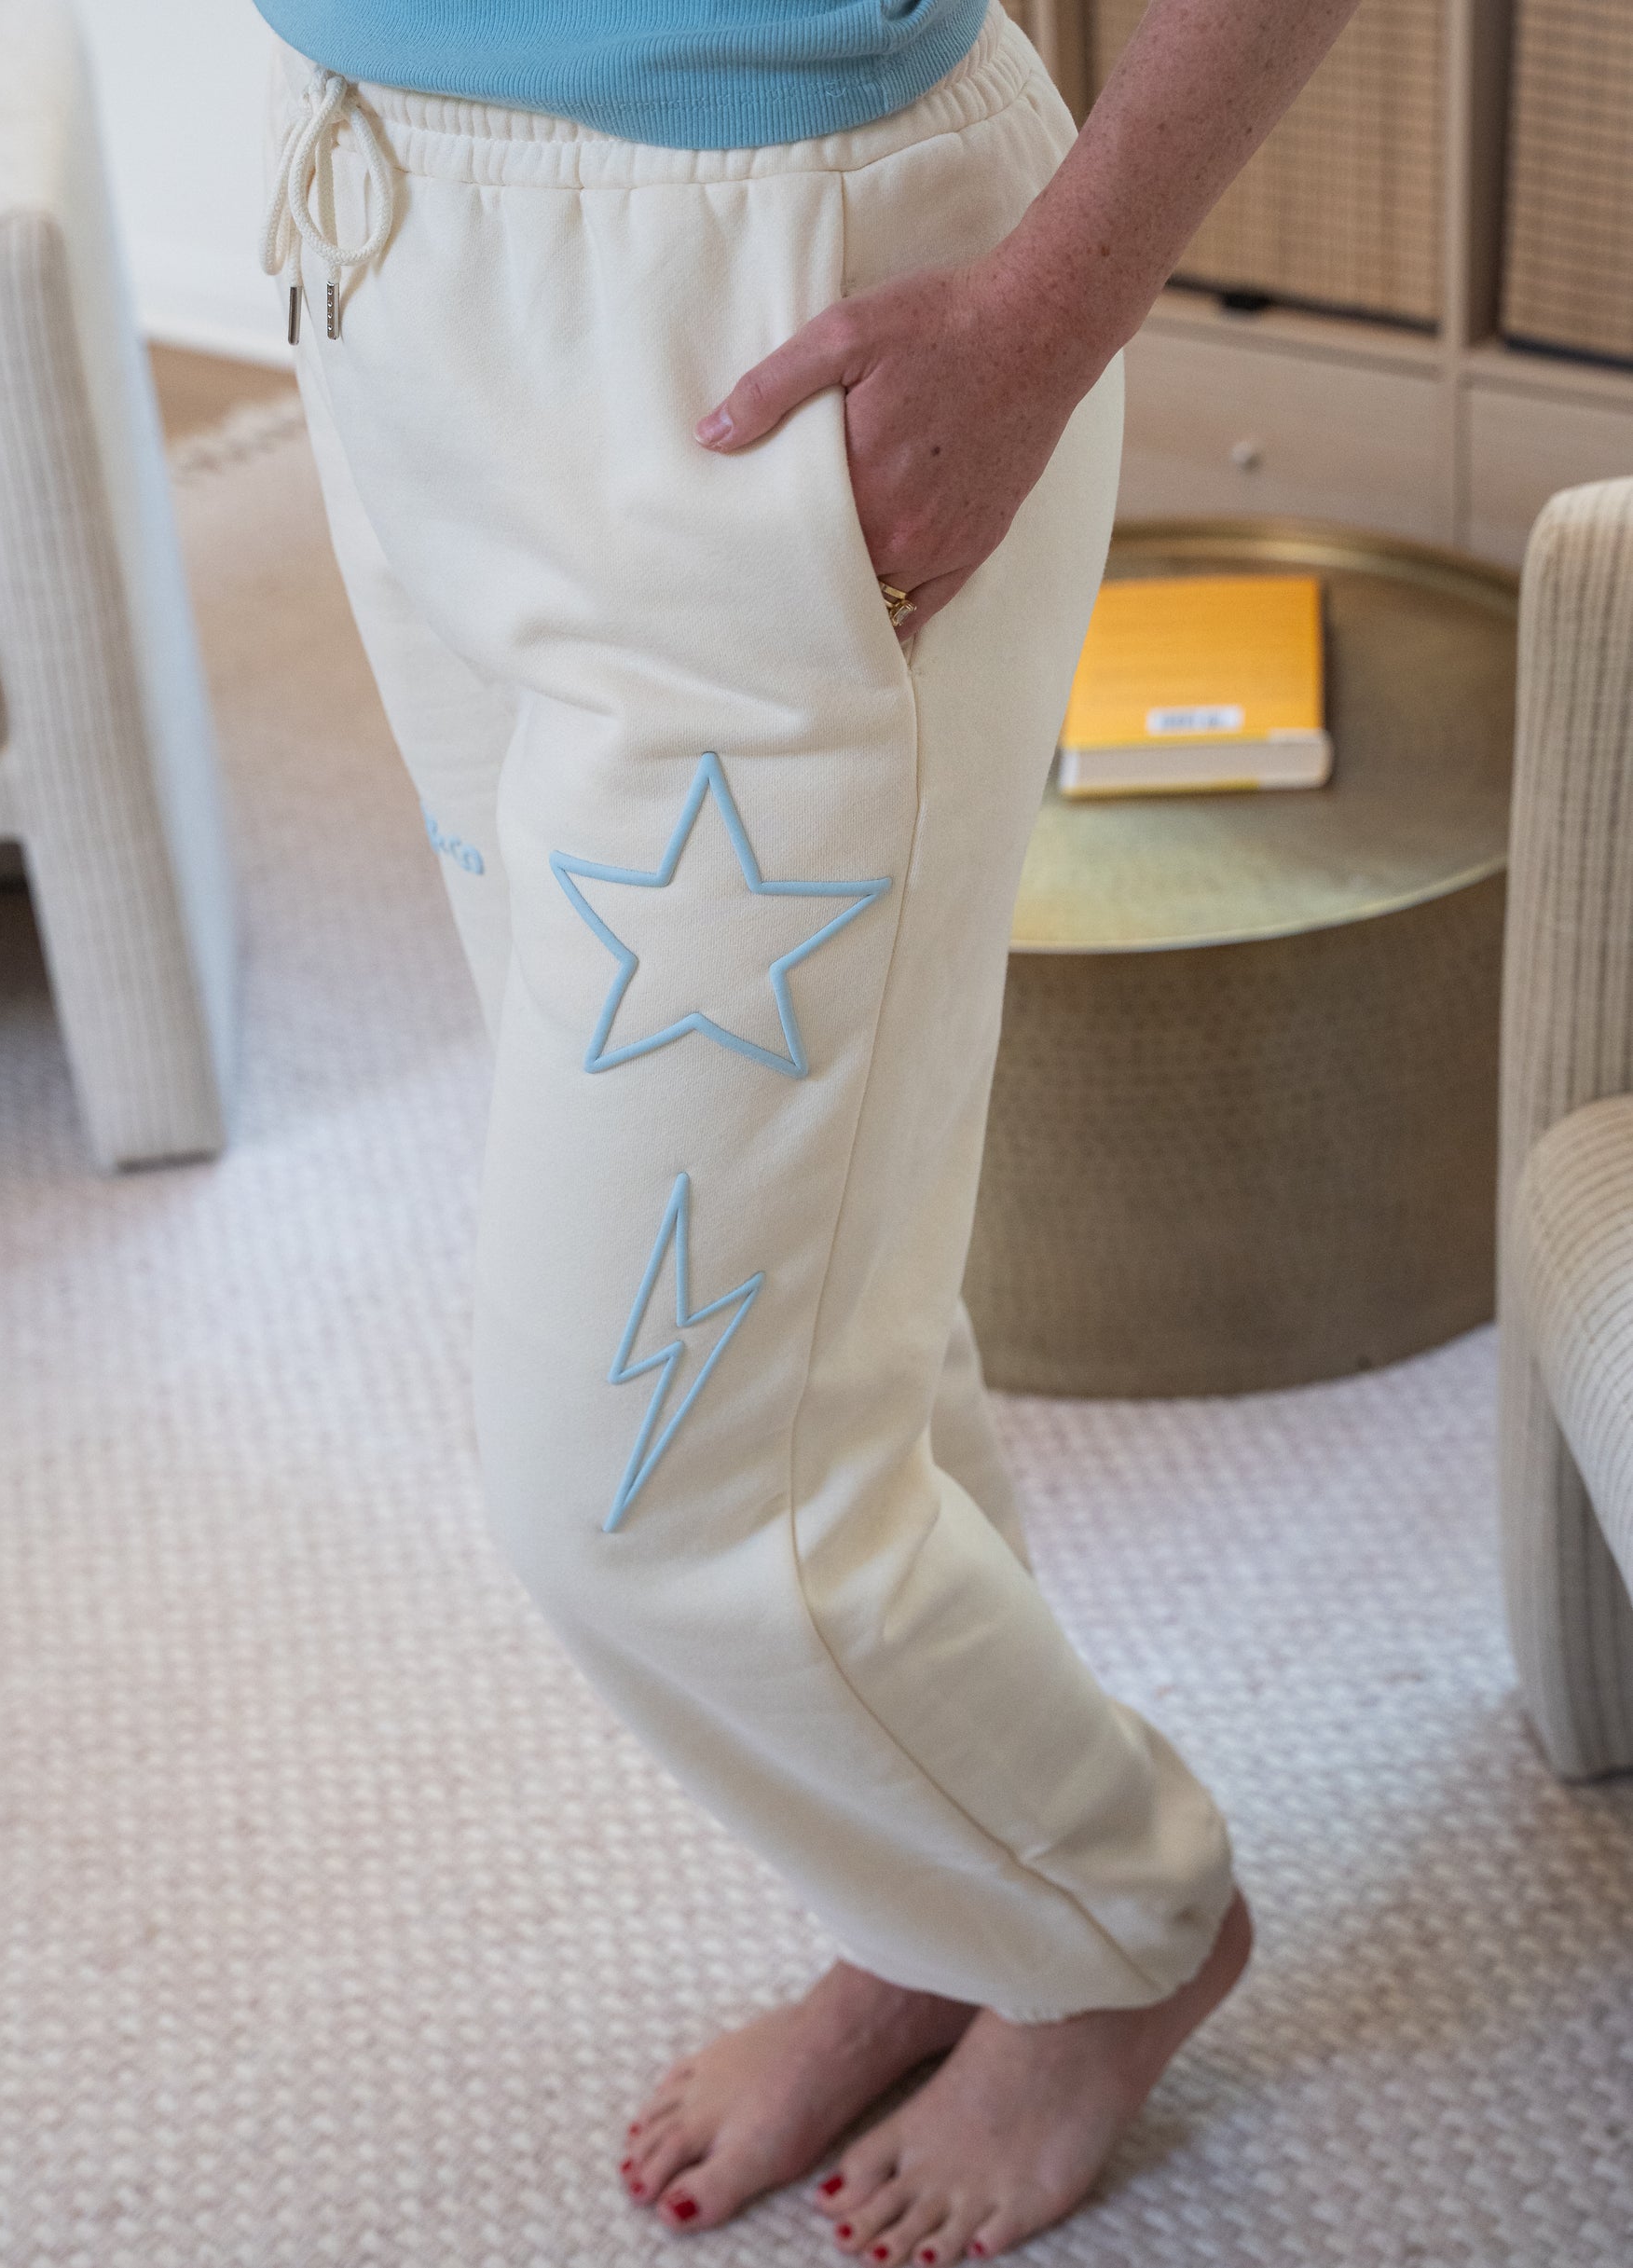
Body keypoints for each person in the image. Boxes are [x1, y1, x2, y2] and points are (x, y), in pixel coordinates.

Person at [253, 2, 1362, 2255]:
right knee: (817, 1294)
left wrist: (1042, 322)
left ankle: (1112, 1918)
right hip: (374, 230)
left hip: (770, 302)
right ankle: (937, 1906)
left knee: (640, 1483)